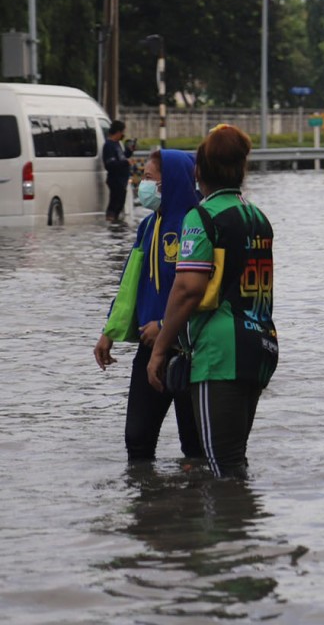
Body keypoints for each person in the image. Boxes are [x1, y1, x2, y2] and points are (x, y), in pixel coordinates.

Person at [147, 125, 277, 479]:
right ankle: (243, 529)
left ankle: (227, 531)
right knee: (234, 461)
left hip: (221, 351)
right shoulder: (257, 217)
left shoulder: (202, 217)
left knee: (220, 468)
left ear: (199, 171)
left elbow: (188, 289)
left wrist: (160, 348)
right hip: (261, 344)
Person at [94, 149, 203, 462]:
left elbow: (197, 292)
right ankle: (148, 507)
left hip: (189, 349)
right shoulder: (148, 226)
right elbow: (130, 284)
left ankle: (194, 506)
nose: (141, 184)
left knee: (194, 448)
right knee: (137, 440)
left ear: (170, 184)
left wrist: (166, 327)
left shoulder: (195, 225)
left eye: (148, 178)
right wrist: (109, 331)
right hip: (148, 346)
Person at [103, 120, 136, 222]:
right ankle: (111, 223)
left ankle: (117, 224)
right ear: (117, 132)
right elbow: (110, 164)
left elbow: (121, 157)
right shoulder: (108, 146)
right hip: (115, 180)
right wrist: (126, 163)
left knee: (120, 205)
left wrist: (129, 151)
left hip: (122, 180)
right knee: (114, 204)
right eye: (122, 132)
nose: (123, 135)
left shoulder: (117, 144)